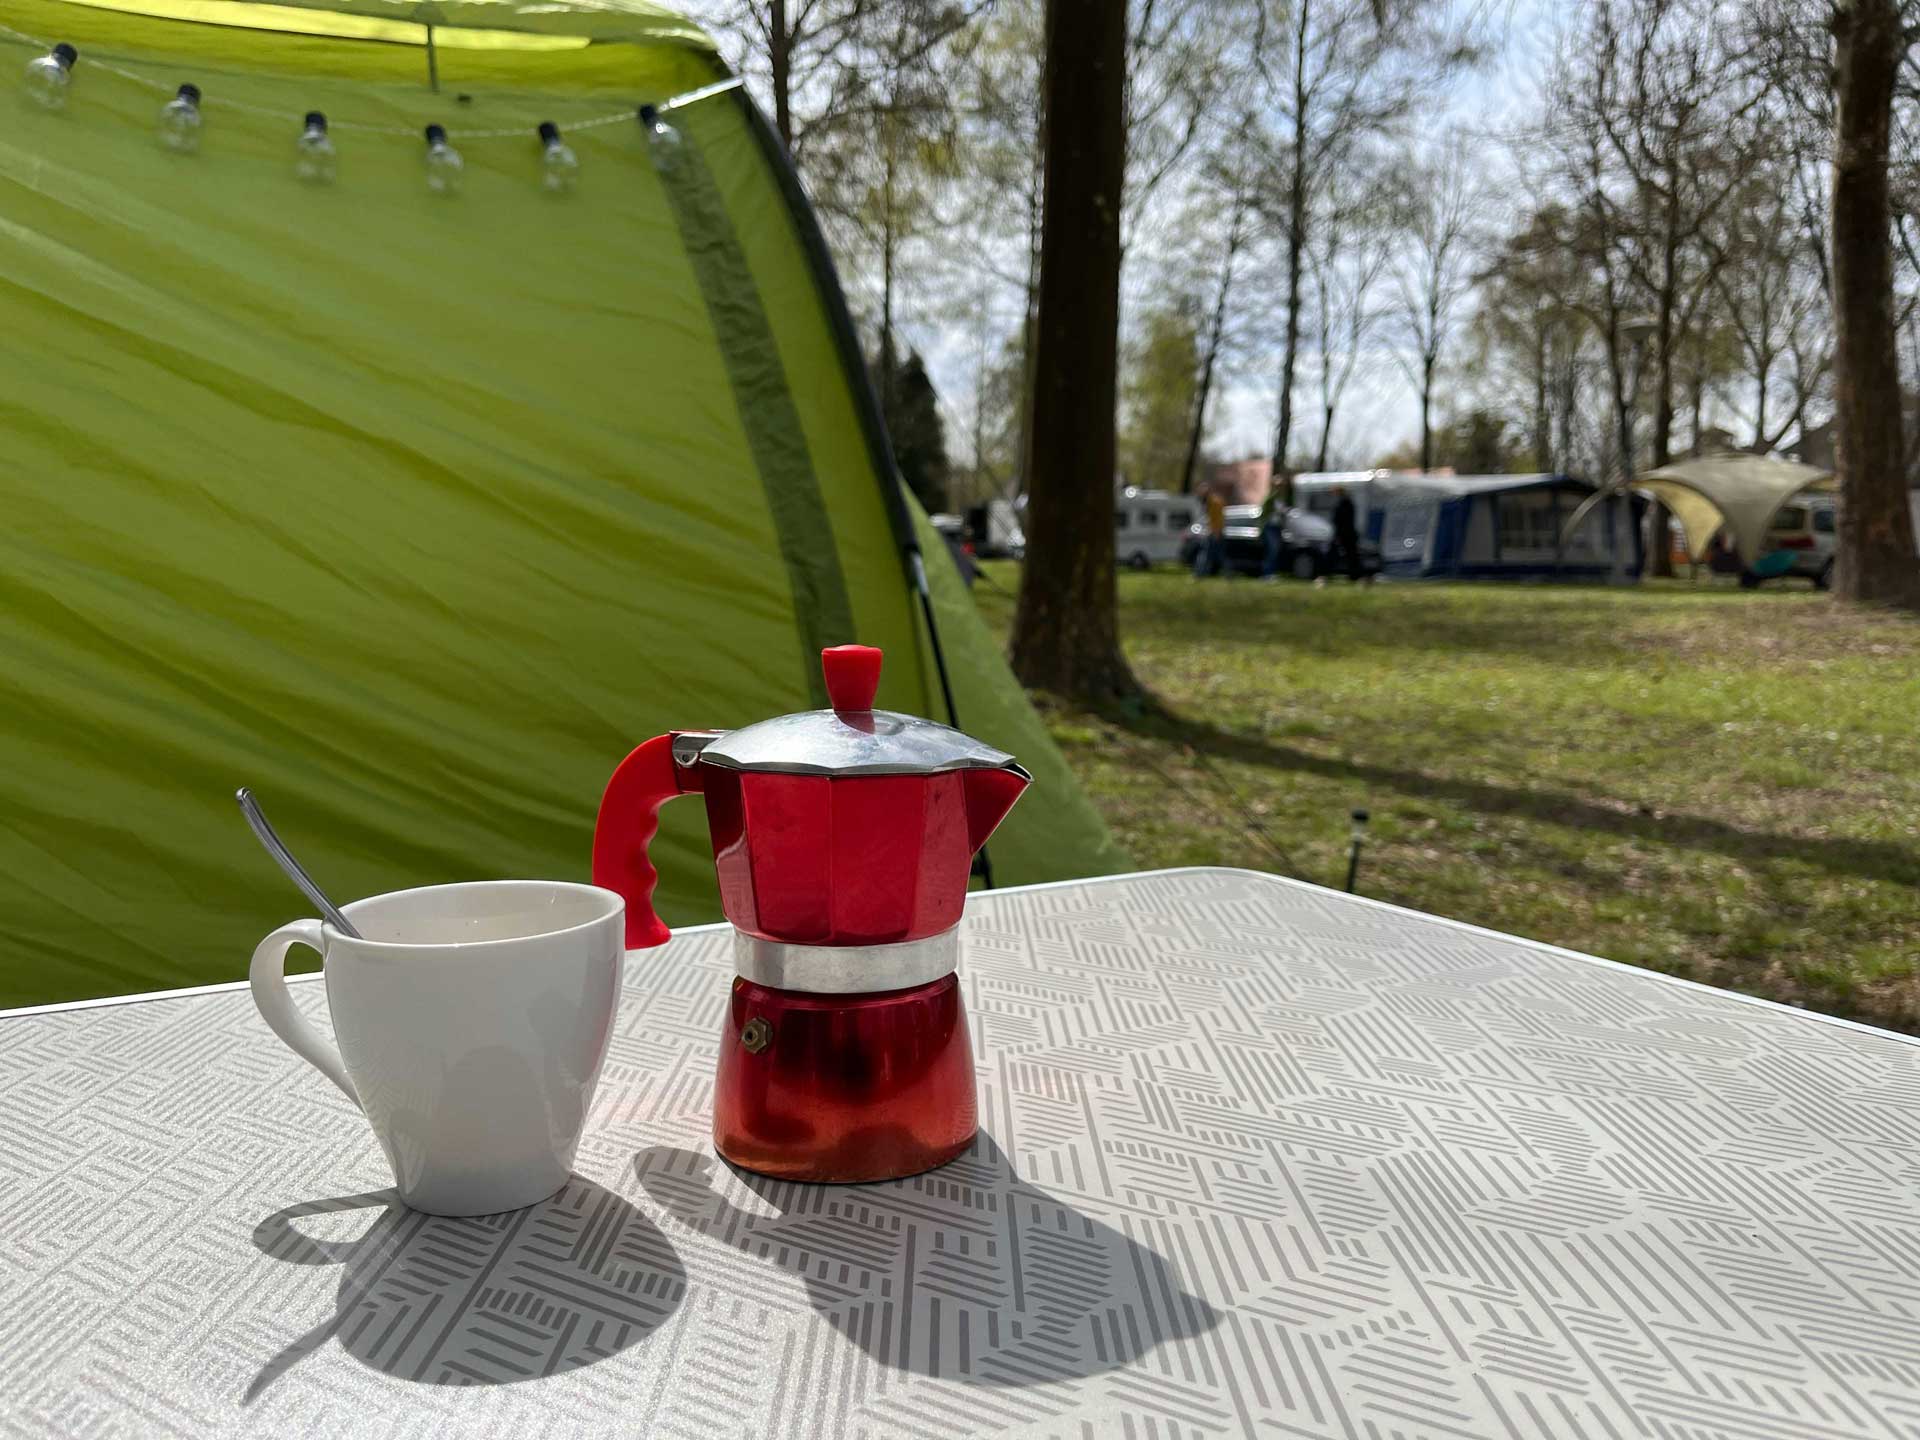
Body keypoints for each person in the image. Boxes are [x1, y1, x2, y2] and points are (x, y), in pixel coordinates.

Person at [1330, 485, 1364, 583]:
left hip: (1346, 534)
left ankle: (1354, 574)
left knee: (1351, 555)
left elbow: (1342, 519)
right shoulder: (1345, 502)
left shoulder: (1344, 503)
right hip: (1345, 533)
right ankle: (1353, 574)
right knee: (1351, 555)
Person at [1193, 485, 1228, 577]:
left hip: (1215, 532)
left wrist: (1215, 532)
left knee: (1207, 554)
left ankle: (1200, 573)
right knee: (1216, 554)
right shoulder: (1210, 502)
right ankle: (1227, 574)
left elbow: (1217, 519)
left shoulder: (1214, 502)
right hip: (1214, 532)